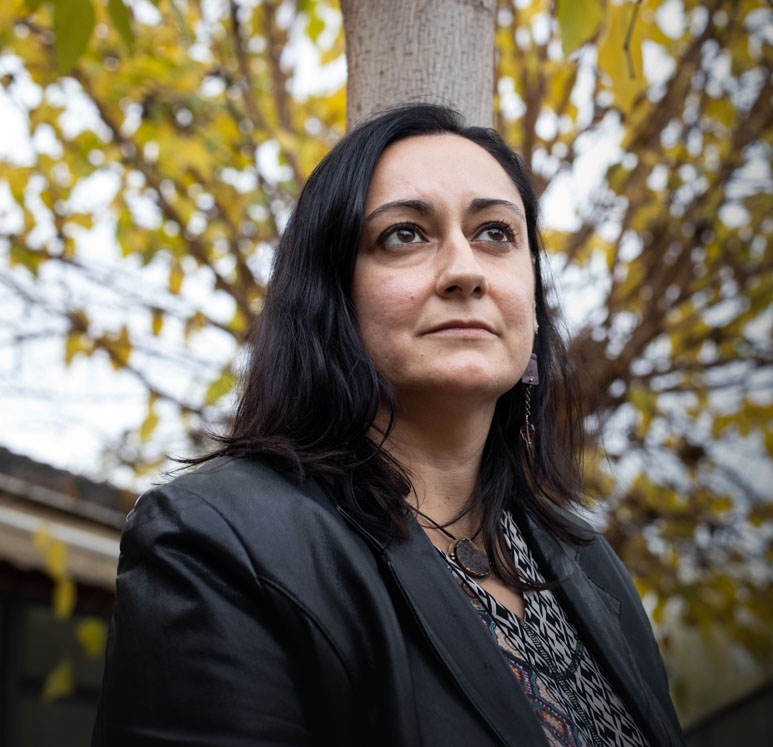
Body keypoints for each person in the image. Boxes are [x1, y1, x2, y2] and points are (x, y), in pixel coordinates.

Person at [92, 104, 685, 747]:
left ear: (535, 306)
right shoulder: (218, 542)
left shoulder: (590, 568)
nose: (465, 270)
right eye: (405, 234)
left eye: (496, 233)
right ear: (332, 296)